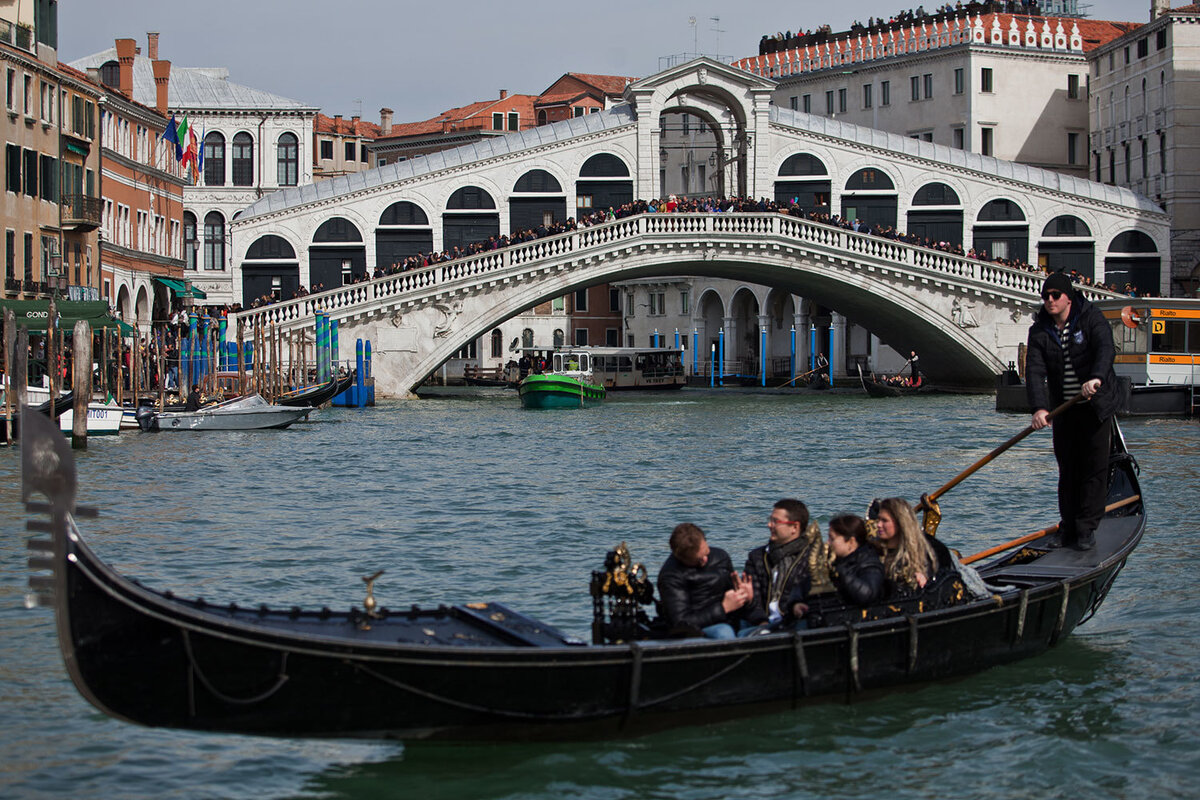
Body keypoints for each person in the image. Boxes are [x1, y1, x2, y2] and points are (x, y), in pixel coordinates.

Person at [1025, 271, 1119, 550]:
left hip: (1094, 406)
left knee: (1093, 469)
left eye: (1055, 295)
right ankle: (1068, 528)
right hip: (1063, 411)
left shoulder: (1091, 318)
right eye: (1046, 296)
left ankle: (1085, 529)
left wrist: (1097, 377)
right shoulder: (1039, 330)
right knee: (1068, 470)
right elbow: (1034, 371)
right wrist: (1040, 408)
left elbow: (1105, 349)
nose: (1050, 300)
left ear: (1068, 297)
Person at [656, 523, 754, 640]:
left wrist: (746, 598)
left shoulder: (720, 556)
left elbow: (735, 599)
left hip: (732, 619)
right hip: (701, 628)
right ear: (681, 558)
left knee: (765, 626)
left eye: (706, 553)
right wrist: (723, 608)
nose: (705, 559)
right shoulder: (671, 576)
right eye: (698, 559)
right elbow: (680, 622)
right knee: (724, 632)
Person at [744, 499, 817, 628]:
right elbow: (753, 600)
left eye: (775, 522)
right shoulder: (757, 557)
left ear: (795, 527)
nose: (769, 525)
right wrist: (762, 623)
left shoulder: (811, 558)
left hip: (795, 622)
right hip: (761, 622)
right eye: (770, 520)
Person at [872, 497, 947, 597]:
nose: (879, 525)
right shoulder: (873, 549)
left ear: (900, 523)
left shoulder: (932, 550)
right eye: (878, 520)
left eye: (884, 521)